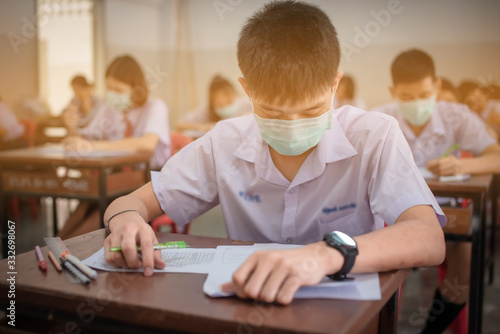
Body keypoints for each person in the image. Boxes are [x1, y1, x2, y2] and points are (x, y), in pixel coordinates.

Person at [103, 1, 445, 306]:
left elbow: (428, 237)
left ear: (335, 84)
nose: (293, 125)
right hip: (248, 303)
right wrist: (128, 221)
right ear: (247, 89)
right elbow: (130, 203)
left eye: (312, 111)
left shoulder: (374, 136)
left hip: (344, 313)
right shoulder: (226, 141)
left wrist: (325, 256)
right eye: (273, 113)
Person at [373, 49, 500, 334]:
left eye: (423, 94)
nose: (416, 103)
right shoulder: (381, 119)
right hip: (395, 216)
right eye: (406, 97)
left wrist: (461, 165)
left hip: (449, 211)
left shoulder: (456, 116)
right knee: (376, 262)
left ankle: (430, 330)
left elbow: (496, 156)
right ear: (393, 91)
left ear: (437, 87)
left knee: (464, 267)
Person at [59, 55, 171, 240]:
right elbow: (85, 138)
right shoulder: (109, 109)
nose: (112, 94)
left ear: (136, 89)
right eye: (109, 89)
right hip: (118, 176)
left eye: (118, 89)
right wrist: (72, 128)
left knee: (105, 201)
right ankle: (58, 245)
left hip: (150, 179)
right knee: (90, 197)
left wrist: (94, 146)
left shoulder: (155, 107)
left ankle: (66, 249)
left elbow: (146, 144)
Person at [176, 75, 252, 136]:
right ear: (213, 103)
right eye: (220, 105)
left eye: (229, 102)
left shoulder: (247, 104)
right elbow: (180, 125)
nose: (226, 107)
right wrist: (202, 127)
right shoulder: (207, 110)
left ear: (234, 94)